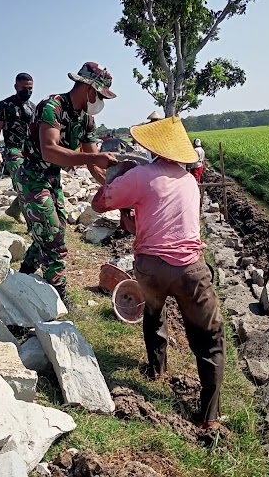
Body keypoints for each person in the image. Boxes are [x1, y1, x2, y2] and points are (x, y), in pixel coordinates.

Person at [90, 117, 225, 432]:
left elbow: (100, 206)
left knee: (154, 312)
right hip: (191, 270)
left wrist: (118, 179)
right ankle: (209, 416)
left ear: (151, 147)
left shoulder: (139, 176)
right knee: (209, 338)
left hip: (150, 268)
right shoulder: (190, 181)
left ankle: (157, 370)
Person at [14, 62, 119, 306]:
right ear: (88, 88)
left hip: (51, 178)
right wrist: (94, 158)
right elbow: (49, 151)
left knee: (54, 229)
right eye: (100, 94)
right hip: (30, 176)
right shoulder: (52, 107)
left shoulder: (86, 120)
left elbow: (95, 166)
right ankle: (59, 296)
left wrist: (116, 192)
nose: (101, 101)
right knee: (54, 237)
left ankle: (25, 273)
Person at [0, 73, 36, 222]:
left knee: (32, 184)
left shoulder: (33, 107)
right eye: (24, 88)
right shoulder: (5, 105)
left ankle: (14, 209)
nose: (27, 91)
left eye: (30, 88)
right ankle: (32, 224)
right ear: (16, 87)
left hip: (30, 151)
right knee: (25, 183)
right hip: (13, 150)